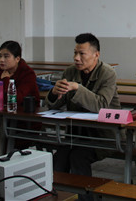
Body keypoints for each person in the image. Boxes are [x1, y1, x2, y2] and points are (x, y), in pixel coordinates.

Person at [46, 33, 120, 186]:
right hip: (76, 134)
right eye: (75, 53)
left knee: (78, 157)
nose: (76, 58)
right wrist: (53, 93)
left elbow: (101, 105)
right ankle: (57, 193)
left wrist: (77, 88)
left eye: (82, 54)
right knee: (59, 158)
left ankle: (85, 196)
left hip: (103, 136)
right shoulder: (70, 72)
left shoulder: (107, 74)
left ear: (96, 55)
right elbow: (56, 104)